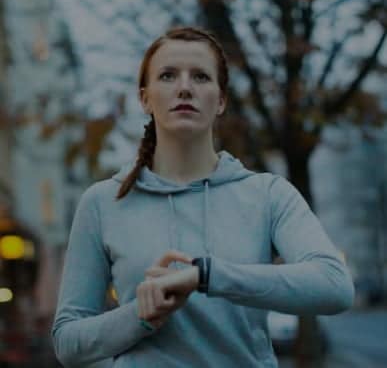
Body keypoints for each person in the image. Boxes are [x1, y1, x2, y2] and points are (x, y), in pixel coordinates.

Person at [52, 26, 354, 368]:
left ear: (221, 100)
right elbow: (67, 341)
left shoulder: (268, 194)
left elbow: (334, 285)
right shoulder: (103, 202)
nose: (184, 87)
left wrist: (207, 276)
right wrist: (139, 316)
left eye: (200, 77)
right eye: (167, 76)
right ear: (145, 98)